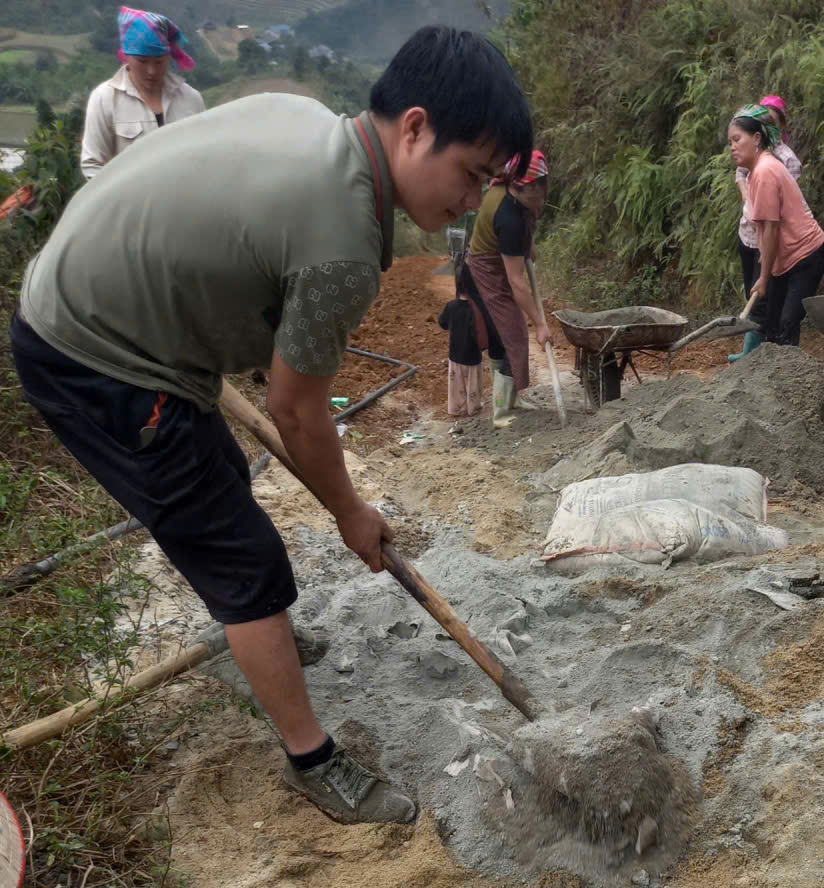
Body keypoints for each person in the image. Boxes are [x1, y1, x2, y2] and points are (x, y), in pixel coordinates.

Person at [12, 25, 532, 825]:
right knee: (239, 555)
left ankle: (265, 644)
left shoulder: (318, 126)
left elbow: (252, 278)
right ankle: (311, 758)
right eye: (470, 174)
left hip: (106, 301)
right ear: (417, 126)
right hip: (93, 349)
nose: (471, 200)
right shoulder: (345, 249)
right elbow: (296, 408)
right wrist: (351, 513)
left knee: (218, 475)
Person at [727, 104, 824, 352]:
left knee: (786, 325)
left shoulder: (764, 171)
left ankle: (791, 386)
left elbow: (771, 230)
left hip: (806, 256)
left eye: (737, 139)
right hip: (785, 261)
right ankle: (769, 381)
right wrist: (766, 273)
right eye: (730, 142)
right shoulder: (757, 171)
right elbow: (764, 232)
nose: (732, 147)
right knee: (771, 326)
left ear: (757, 138)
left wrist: (763, 277)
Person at [464, 150, 551, 427]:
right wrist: (539, 323)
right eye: (536, 192)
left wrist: (529, 245)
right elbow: (517, 282)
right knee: (509, 334)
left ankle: (513, 399)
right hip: (486, 270)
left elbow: (527, 221)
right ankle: (501, 412)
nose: (542, 196)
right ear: (520, 187)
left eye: (544, 187)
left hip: (498, 257)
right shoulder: (509, 216)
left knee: (513, 335)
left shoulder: (509, 191)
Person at [81, 6, 205, 179]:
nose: (151, 71)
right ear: (125, 56)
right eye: (142, 61)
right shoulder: (104, 99)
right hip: (130, 203)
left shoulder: (192, 99)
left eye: (159, 62)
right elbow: (92, 165)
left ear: (168, 57)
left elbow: (202, 159)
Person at [730, 94, 803, 362]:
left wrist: (759, 209)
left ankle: (756, 357)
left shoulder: (781, 160)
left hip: (770, 240)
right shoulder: (751, 155)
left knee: (765, 298)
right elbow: (740, 176)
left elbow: (782, 206)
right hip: (747, 235)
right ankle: (752, 354)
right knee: (754, 291)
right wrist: (750, 201)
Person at [439, 267, 487, 417]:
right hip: (473, 356)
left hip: (455, 355)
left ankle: (456, 409)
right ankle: (474, 409)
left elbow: (443, 323)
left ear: (457, 284)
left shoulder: (451, 306)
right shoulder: (478, 307)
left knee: (456, 385)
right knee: (473, 386)